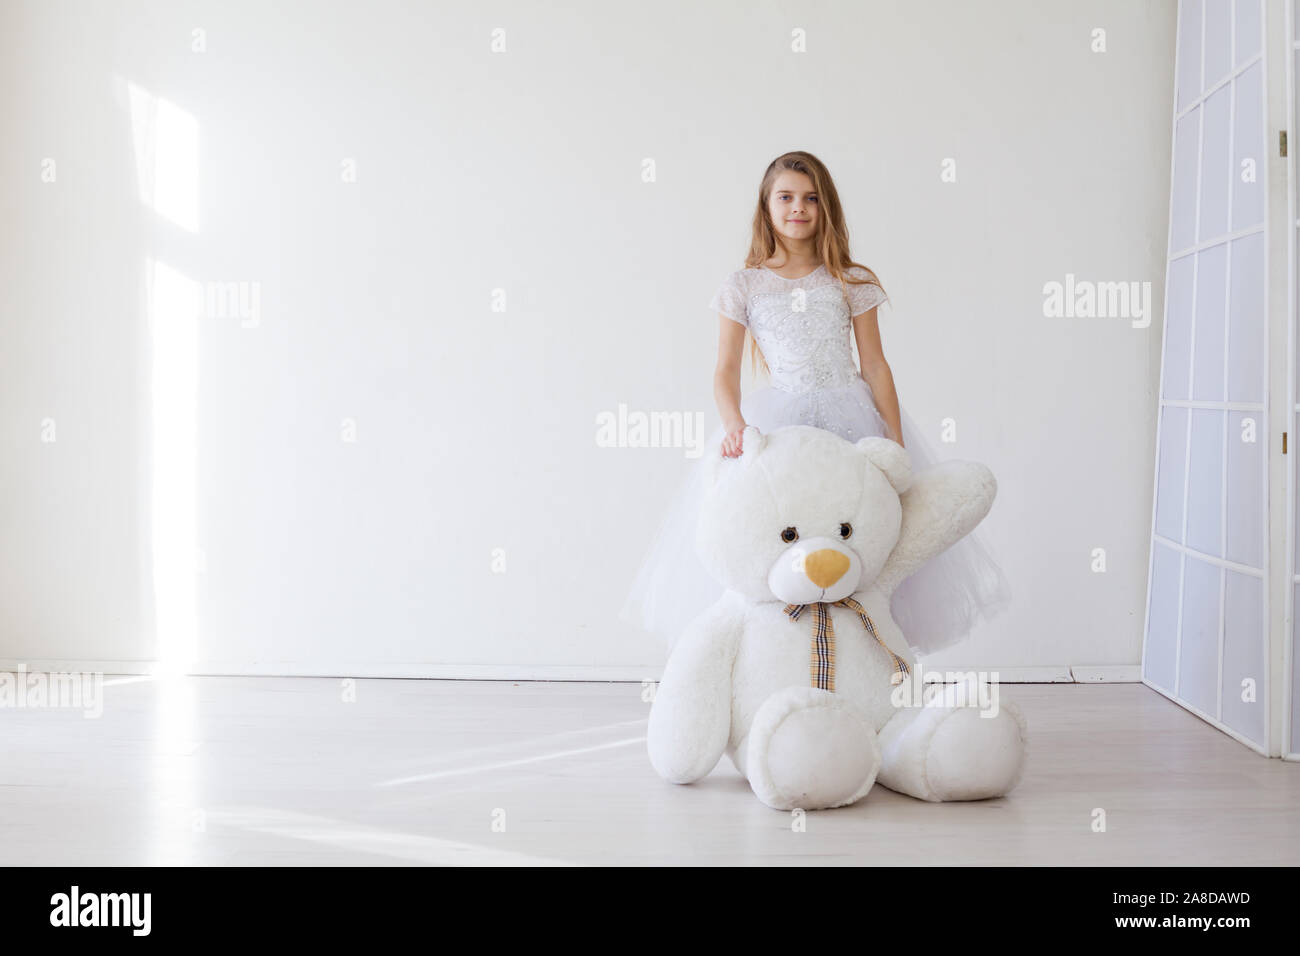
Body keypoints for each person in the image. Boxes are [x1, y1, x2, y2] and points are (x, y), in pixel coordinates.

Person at [620, 150, 1011, 655]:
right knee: (782, 536)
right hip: (778, 425)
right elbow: (724, 370)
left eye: (810, 199)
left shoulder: (851, 279)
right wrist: (735, 424)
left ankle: (857, 662)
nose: (797, 208)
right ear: (767, 207)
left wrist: (892, 435)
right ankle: (784, 660)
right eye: (785, 197)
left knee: (858, 533)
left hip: (851, 419)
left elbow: (874, 365)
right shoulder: (744, 285)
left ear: (826, 208)